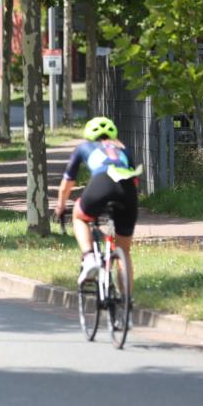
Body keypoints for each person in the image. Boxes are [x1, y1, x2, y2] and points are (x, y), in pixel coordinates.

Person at [52, 116, 142, 295]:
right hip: (127, 190)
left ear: (88, 135)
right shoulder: (124, 149)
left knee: (79, 215)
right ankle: (127, 307)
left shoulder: (83, 147)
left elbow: (66, 184)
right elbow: (136, 182)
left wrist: (60, 206)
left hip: (101, 181)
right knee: (124, 251)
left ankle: (89, 257)